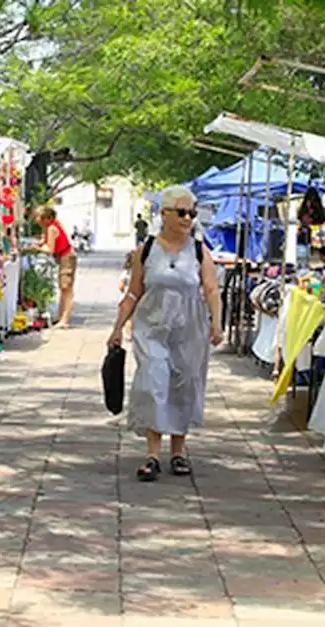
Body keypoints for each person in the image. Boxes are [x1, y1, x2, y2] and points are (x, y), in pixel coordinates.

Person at [108, 185, 223, 482]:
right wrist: (118, 327)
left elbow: (211, 289)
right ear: (164, 214)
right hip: (152, 327)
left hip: (189, 329)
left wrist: (216, 322)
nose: (188, 219)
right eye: (182, 212)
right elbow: (134, 293)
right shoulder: (145, 250)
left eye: (192, 213)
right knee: (152, 382)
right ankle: (151, 454)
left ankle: (178, 451)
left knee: (183, 384)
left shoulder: (199, 251)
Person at [32, 205, 77, 328]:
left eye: (40, 220)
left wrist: (37, 248)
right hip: (65, 256)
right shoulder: (52, 226)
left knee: (66, 288)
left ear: (47, 218)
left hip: (66, 256)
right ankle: (61, 316)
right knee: (63, 288)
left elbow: (50, 249)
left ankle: (65, 319)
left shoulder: (51, 228)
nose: (38, 222)